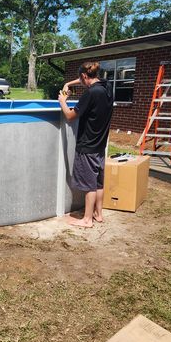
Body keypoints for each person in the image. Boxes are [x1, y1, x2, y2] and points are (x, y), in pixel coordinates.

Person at [58, 61, 113, 228]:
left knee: (89, 185)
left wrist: (63, 100)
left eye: (80, 79)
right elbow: (86, 79)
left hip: (87, 145)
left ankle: (87, 220)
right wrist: (68, 83)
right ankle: (98, 214)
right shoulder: (106, 87)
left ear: (84, 76)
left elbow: (69, 116)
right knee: (98, 183)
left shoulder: (90, 94)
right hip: (99, 145)